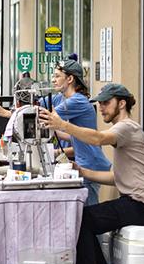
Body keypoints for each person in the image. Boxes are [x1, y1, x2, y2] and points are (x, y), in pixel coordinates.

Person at [39, 83, 144, 264]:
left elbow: (97, 139)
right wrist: (81, 171)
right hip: (139, 204)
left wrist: (62, 125)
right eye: (100, 103)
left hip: (141, 205)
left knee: (81, 220)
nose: (101, 108)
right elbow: (115, 177)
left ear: (121, 103)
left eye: (106, 103)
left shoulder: (126, 127)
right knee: (84, 218)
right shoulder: (126, 132)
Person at [45, 55, 111, 206]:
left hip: (90, 164)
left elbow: (48, 118)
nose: (53, 80)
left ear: (70, 79)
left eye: (57, 76)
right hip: (85, 162)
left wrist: (6, 113)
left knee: (89, 215)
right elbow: (75, 135)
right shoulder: (66, 99)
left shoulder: (77, 100)